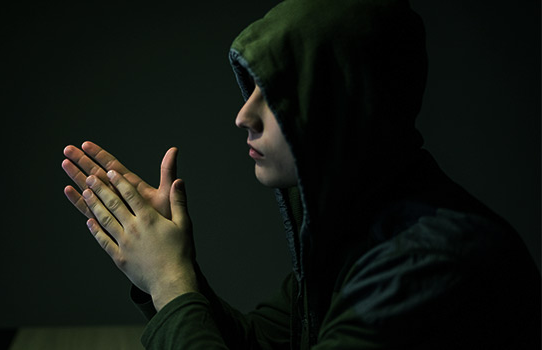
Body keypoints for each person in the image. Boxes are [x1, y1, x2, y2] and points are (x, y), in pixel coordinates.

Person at [61, 0, 541, 348]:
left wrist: (169, 280)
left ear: (344, 106)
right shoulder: (358, 229)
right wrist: (165, 270)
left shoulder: (429, 268)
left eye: (275, 92)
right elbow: (257, 345)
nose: (244, 115)